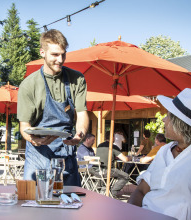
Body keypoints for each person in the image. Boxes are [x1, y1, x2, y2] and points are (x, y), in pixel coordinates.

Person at [17, 29, 89, 186]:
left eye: (63, 54)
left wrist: (80, 135)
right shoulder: (29, 85)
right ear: (42, 52)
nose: (60, 59)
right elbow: (24, 126)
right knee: (34, 204)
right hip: (38, 155)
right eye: (55, 55)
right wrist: (34, 139)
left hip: (66, 152)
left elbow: (82, 113)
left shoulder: (77, 79)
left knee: (71, 205)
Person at [128, 88, 191, 220]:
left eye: (168, 115)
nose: (164, 120)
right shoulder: (164, 150)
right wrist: (128, 213)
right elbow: (141, 190)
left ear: (180, 123)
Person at [96, 131, 130, 197]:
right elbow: (125, 159)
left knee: (115, 174)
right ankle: (113, 192)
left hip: (98, 170)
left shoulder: (99, 145)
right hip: (108, 170)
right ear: (112, 137)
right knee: (126, 176)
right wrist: (130, 157)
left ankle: (107, 189)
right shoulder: (113, 146)